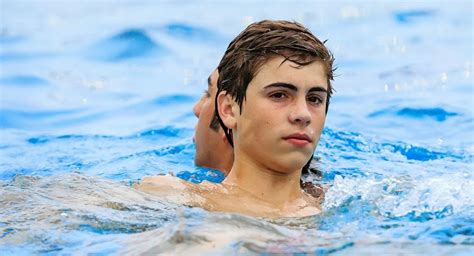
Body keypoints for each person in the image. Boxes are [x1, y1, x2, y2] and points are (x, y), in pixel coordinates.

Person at [137, 20, 334, 218]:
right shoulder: (172, 196)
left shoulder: (344, 205)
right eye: (279, 95)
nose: (303, 114)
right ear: (229, 109)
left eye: (315, 99)